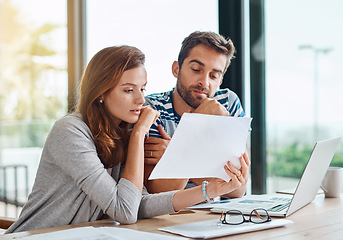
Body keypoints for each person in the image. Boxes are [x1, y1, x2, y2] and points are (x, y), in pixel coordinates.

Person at [6, 45, 247, 233]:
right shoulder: (70, 131)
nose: (141, 100)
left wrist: (210, 190)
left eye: (142, 89)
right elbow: (124, 211)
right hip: (36, 236)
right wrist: (140, 134)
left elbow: (139, 203)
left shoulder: (121, 133)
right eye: (128, 90)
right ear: (101, 93)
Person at [143, 31, 250, 198]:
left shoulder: (228, 103)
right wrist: (197, 122)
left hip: (219, 215)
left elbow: (237, 188)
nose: (205, 82)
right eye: (196, 69)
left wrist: (174, 154)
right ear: (176, 69)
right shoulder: (152, 109)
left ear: (220, 80)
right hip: (171, 216)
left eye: (214, 75)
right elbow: (159, 192)